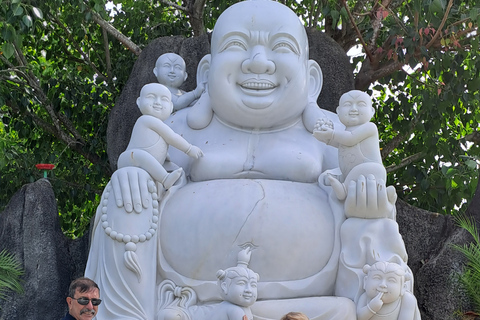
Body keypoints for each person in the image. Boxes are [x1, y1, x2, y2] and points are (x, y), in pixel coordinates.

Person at [85, 1, 416, 319]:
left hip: (312, 305)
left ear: (311, 78)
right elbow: (139, 160)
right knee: (125, 191)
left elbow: (366, 177)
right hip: (183, 300)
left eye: (281, 47)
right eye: (236, 45)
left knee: (370, 204)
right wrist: (132, 174)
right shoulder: (175, 127)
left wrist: (364, 187)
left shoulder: (331, 132)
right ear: (206, 73)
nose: (258, 62)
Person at [117, 83, 203, 189]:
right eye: (151, 97)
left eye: (164, 99)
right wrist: (189, 149)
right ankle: (165, 179)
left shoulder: (160, 124)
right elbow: (171, 137)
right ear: (139, 102)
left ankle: (173, 179)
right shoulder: (146, 119)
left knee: (168, 164)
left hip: (145, 162)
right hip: (130, 158)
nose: (157, 102)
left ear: (171, 107)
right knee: (141, 155)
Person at [313, 90, 390, 203]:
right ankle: (342, 180)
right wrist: (327, 140)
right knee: (346, 173)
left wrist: (332, 134)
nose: (353, 109)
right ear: (338, 111)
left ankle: (344, 189)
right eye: (348, 104)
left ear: (372, 111)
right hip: (352, 173)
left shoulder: (370, 127)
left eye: (361, 104)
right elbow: (343, 144)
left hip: (372, 171)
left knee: (361, 169)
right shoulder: (345, 132)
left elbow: (350, 139)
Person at [208, 248, 259, 320]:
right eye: (241, 283)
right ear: (225, 287)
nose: (248, 290)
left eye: (253, 285)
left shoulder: (243, 308)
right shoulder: (235, 310)